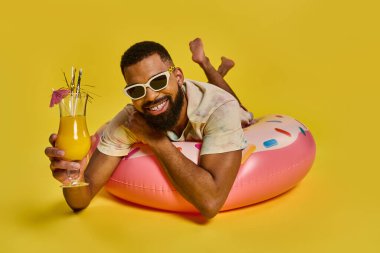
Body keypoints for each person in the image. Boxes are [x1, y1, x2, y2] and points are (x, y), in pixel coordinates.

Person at [45, 38, 253, 219]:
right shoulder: (129, 120)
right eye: (137, 90)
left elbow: (211, 203)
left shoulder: (220, 107)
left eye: (159, 81)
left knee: (241, 108)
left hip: (226, 107)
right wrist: (73, 179)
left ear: (178, 76)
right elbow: (81, 199)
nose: (151, 96)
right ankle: (213, 69)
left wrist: (156, 140)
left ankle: (205, 63)